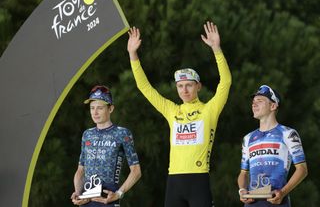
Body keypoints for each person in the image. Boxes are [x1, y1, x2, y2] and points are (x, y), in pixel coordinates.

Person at [127, 21, 232, 207]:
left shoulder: (209, 109)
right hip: (174, 181)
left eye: (189, 85)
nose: (184, 90)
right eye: (180, 86)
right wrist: (133, 54)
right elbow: (145, 88)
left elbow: (225, 82)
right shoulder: (171, 110)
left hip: (198, 180)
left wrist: (217, 49)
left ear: (198, 86)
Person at [237, 85, 308, 207]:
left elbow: (302, 169)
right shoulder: (247, 138)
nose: (254, 104)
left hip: (277, 201)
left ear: (273, 106)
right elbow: (243, 173)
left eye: (259, 101)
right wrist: (242, 190)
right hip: (251, 203)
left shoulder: (288, 133)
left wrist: (283, 192)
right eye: (253, 102)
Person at [71, 85, 141, 207]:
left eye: (100, 108)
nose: (95, 112)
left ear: (111, 108)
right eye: (92, 108)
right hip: (86, 199)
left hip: (108, 198)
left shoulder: (122, 133)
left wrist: (119, 194)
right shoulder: (87, 134)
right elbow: (80, 170)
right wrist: (78, 193)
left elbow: (136, 171)